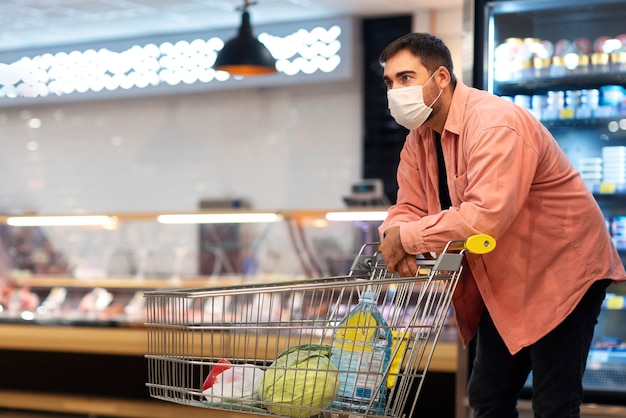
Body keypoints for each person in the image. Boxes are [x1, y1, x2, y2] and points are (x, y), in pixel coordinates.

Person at [377, 32, 626, 418]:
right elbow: (407, 205)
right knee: (488, 397)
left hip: (563, 272)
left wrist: (405, 238)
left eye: (406, 78)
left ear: (441, 77)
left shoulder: (495, 123)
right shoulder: (419, 139)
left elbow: (482, 219)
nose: (396, 91)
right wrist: (393, 234)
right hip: (506, 277)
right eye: (390, 82)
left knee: (553, 404)